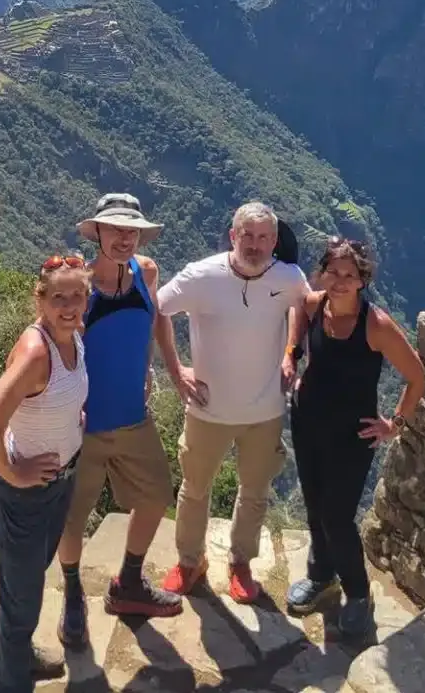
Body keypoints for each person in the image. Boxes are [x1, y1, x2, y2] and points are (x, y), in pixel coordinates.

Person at [155, 201, 309, 604]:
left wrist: (291, 351)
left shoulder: (289, 276)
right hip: (208, 408)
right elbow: (158, 310)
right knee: (194, 488)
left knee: (255, 491)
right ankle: (190, 562)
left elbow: (303, 307)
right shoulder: (201, 276)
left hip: (265, 411)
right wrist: (176, 370)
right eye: (248, 235)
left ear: (274, 241)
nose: (255, 245)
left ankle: (240, 563)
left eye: (263, 237)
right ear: (232, 236)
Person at [282, 237, 425, 638]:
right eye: (334, 272)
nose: (341, 281)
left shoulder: (375, 325)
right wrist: (291, 354)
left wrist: (394, 424)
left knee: (337, 516)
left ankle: (358, 594)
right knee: (314, 506)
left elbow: (417, 377)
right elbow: (298, 315)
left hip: (351, 435)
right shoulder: (314, 305)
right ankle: (321, 576)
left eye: (350, 275)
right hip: (307, 421)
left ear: (363, 280)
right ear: (323, 273)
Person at [56, 195, 183, 647]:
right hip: (83, 427)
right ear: (98, 234)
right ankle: (73, 596)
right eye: (115, 230)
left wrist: (165, 367)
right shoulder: (80, 286)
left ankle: (127, 584)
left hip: (133, 416)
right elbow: (56, 344)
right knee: (73, 520)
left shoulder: (146, 273)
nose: (125, 238)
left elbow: (157, 321)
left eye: (132, 231)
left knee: (156, 496)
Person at [0, 254, 91, 693]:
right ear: (40, 299)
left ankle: (12, 653)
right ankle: (10, 679)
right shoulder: (36, 351)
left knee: (26, 584)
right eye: (59, 297)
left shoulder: (75, 339)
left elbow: (64, 398)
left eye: (78, 295)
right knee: (22, 601)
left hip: (60, 483)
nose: (70, 305)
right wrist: (15, 474)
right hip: (27, 496)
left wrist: (75, 423)